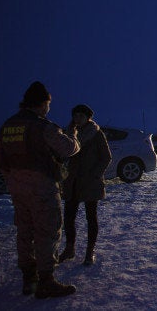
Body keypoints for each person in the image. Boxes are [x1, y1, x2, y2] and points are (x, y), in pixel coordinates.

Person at [0, 81, 80, 298]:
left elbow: (1, 159)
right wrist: (74, 135)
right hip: (42, 188)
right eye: (48, 104)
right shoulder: (42, 127)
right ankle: (46, 280)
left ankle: (28, 278)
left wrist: (14, 180)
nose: (49, 108)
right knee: (47, 231)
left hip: (17, 189)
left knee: (24, 232)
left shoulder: (8, 126)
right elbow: (68, 148)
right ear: (42, 104)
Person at [59, 104, 111, 266]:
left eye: (81, 115)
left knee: (91, 217)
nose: (77, 118)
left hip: (89, 182)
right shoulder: (68, 134)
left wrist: (95, 174)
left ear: (88, 117)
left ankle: (90, 251)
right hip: (72, 182)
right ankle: (69, 249)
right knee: (68, 217)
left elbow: (106, 157)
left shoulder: (96, 134)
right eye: (75, 115)